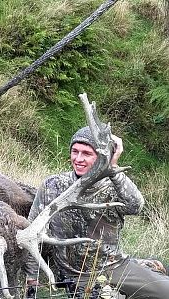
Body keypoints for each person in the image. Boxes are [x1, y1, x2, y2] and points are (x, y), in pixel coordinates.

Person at [25, 126, 169, 298]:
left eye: (86, 153)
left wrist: (113, 167)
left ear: (101, 156)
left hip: (114, 267)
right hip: (73, 275)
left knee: (164, 292)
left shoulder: (113, 186)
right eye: (75, 151)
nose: (78, 159)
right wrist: (31, 279)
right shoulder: (52, 186)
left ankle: (148, 267)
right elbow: (31, 234)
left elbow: (135, 206)